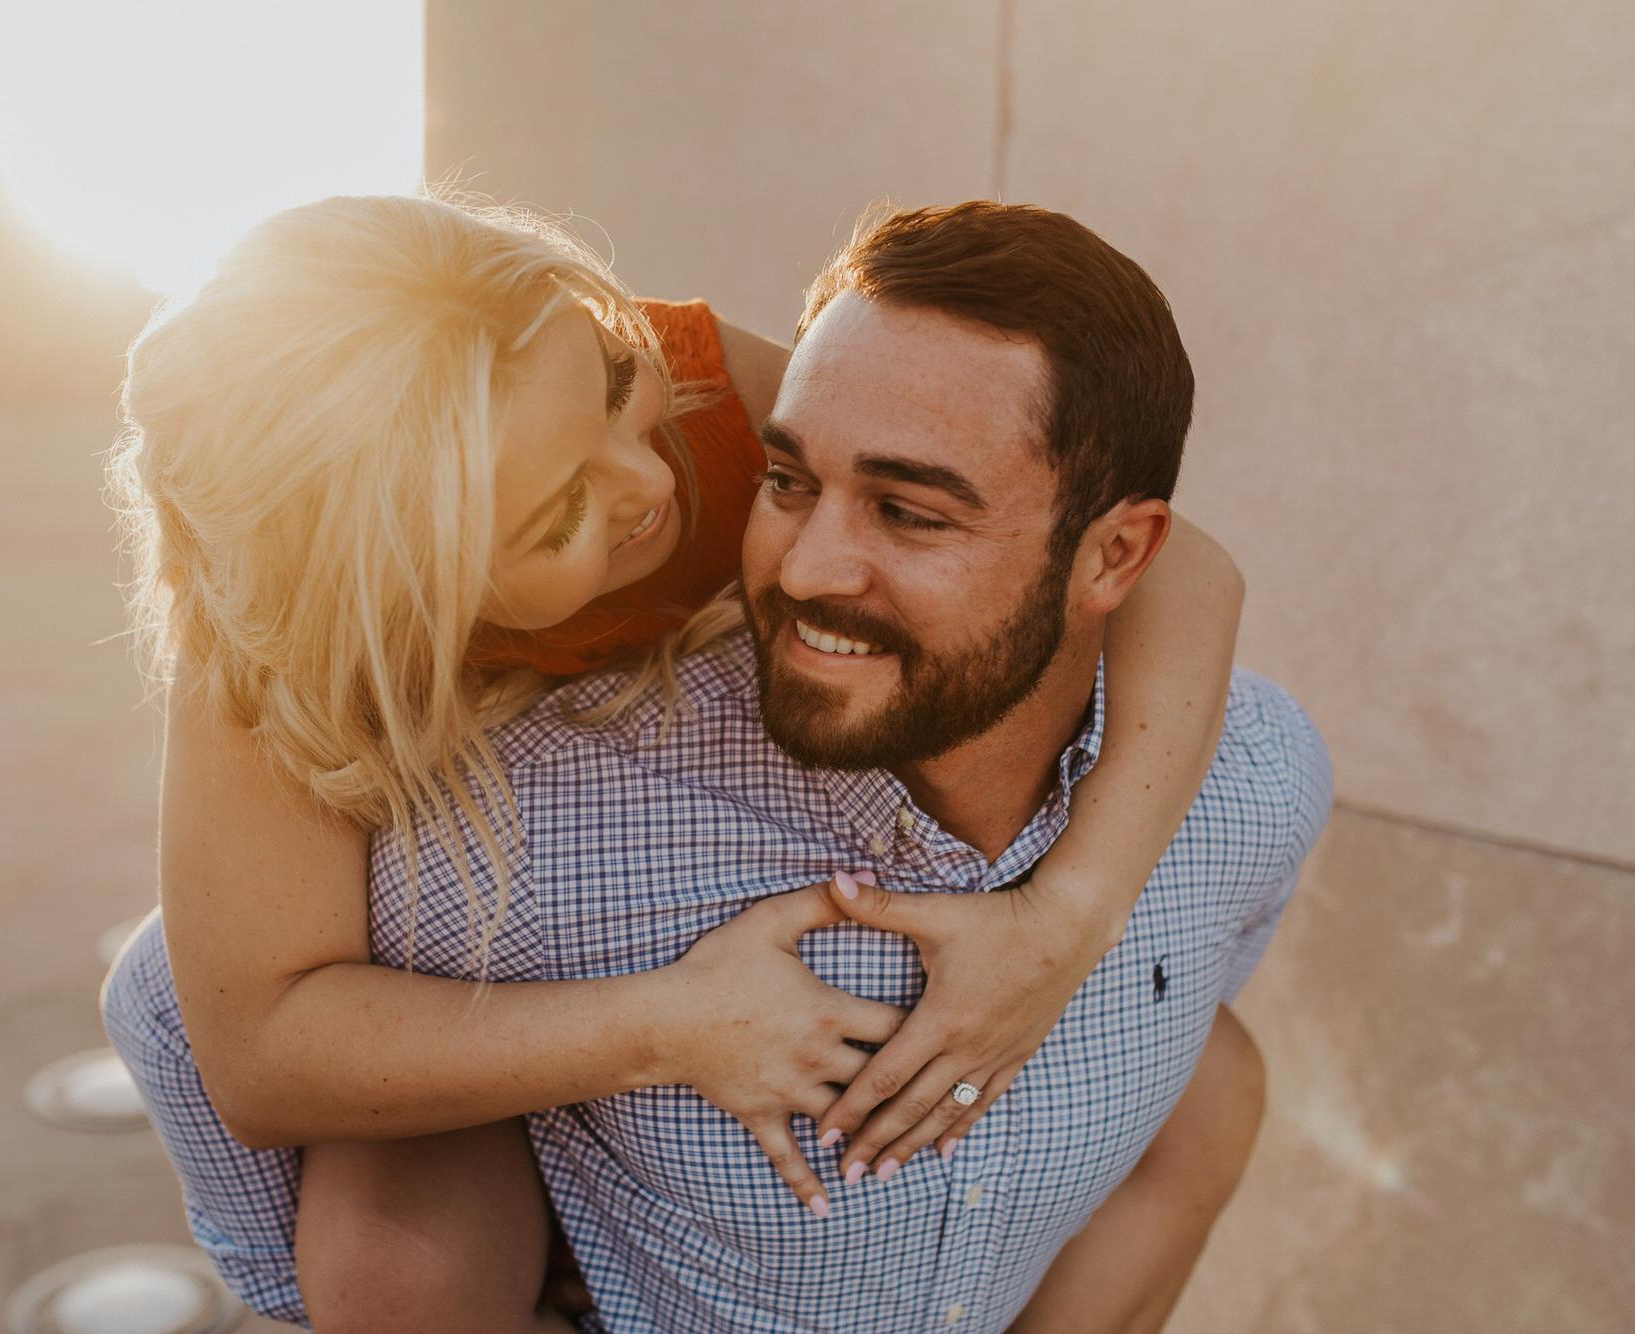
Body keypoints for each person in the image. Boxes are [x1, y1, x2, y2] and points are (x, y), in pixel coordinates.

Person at [103, 194, 1268, 1331]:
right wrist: (669, 1024)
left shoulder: (695, 391)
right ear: (400, 581)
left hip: (749, 833)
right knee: (387, 1258)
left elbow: (1178, 565)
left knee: (1209, 1080)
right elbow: (257, 1050)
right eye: (557, 512)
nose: (650, 481)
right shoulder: (286, 642)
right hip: (495, 969)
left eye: (618, 389)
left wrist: (1069, 915)